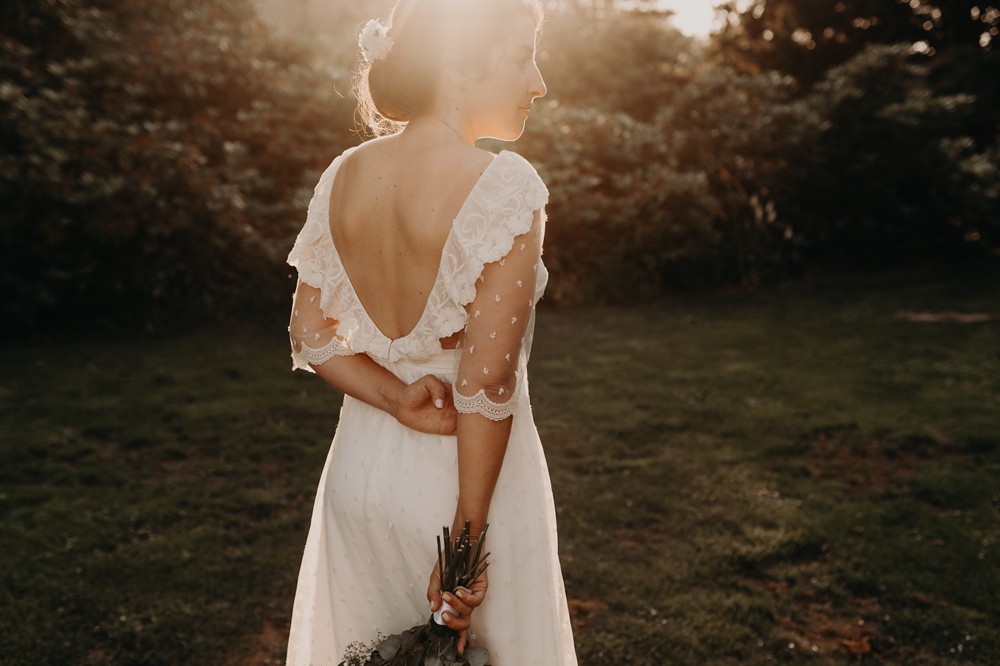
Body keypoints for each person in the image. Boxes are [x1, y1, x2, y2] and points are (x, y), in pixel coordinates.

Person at [283, 0, 577, 663]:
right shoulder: (505, 188)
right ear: (461, 64)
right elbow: (486, 382)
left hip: (362, 478)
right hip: (463, 489)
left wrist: (393, 397)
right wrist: (465, 551)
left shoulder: (341, 178)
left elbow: (311, 335)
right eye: (524, 57)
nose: (539, 84)